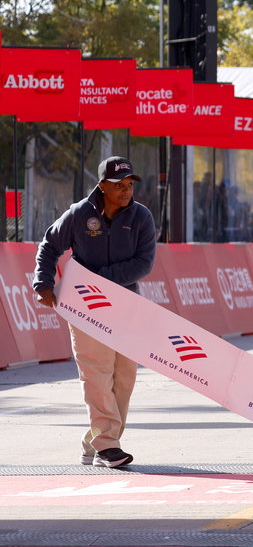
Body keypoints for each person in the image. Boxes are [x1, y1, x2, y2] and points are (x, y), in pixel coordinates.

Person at [33, 156, 157, 468]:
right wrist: (43, 283)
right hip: (84, 306)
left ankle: (95, 442)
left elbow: (144, 262)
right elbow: (49, 245)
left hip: (126, 305)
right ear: (102, 186)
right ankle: (108, 446)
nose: (127, 190)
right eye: (119, 185)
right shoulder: (79, 214)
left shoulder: (141, 216)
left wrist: (99, 280)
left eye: (130, 184)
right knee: (96, 372)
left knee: (123, 378)